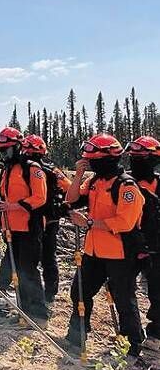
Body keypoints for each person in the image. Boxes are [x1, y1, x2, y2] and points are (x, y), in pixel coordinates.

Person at [65, 133, 145, 356]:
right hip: (93, 251)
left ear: (109, 159)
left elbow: (125, 222)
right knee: (79, 292)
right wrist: (79, 174)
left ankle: (132, 346)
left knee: (124, 300)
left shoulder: (126, 186)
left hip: (120, 254)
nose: (91, 164)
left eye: (94, 160)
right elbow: (71, 200)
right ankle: (76, 336)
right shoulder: (93, 182)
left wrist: (89, 222)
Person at [0, 127, 49, 324]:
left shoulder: (32, 168)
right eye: (1, 151)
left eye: (6, 150)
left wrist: (14, 206)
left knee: (28, 270)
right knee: (12, 268)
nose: (3, 154)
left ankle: (38, 314)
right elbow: (5, 195)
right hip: (10, 228)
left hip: (29, 228)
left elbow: (40, 198)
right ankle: (21, 310)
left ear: (17, 147)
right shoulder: (7, 170)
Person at [20, 135, 72, 303]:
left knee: (29, 260)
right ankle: (50, 293)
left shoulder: (24, 169)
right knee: (49, 257)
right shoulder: (53, 171)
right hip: (50, 219)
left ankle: (31, 295)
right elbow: (70, 189)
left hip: (32, 220)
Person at [125, 136, 160, 352]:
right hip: (127, 243)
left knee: (156, 291)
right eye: (133, 156)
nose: (135, 160)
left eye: (140, 157)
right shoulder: (125, 181)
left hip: (155, 246)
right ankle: (130, 334)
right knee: (123, 289)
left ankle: (156, 334)